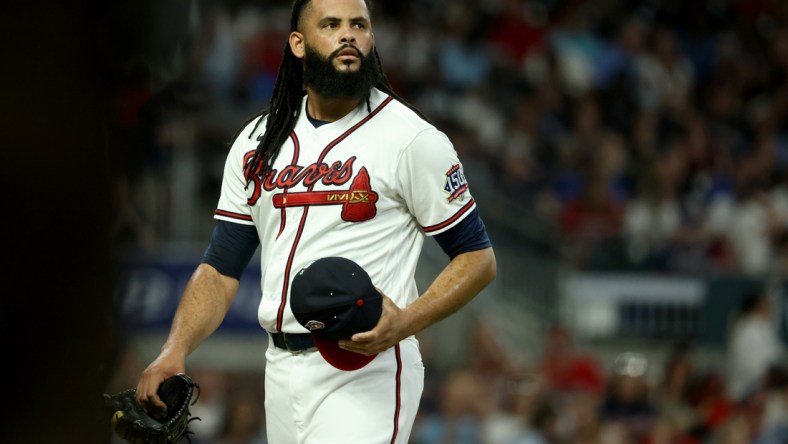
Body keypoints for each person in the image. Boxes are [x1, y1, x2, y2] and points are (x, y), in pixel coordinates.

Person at [134, 0, 497, 443]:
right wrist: (175, 350)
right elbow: (221, 266)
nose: (348, 35)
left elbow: (478, 258)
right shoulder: (257, 142)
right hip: (281, 368)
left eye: (358, 25)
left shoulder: (412, 139)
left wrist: (407, 321)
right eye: (331, 24)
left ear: (371, 40)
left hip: (366, 367)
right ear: (298, 44)